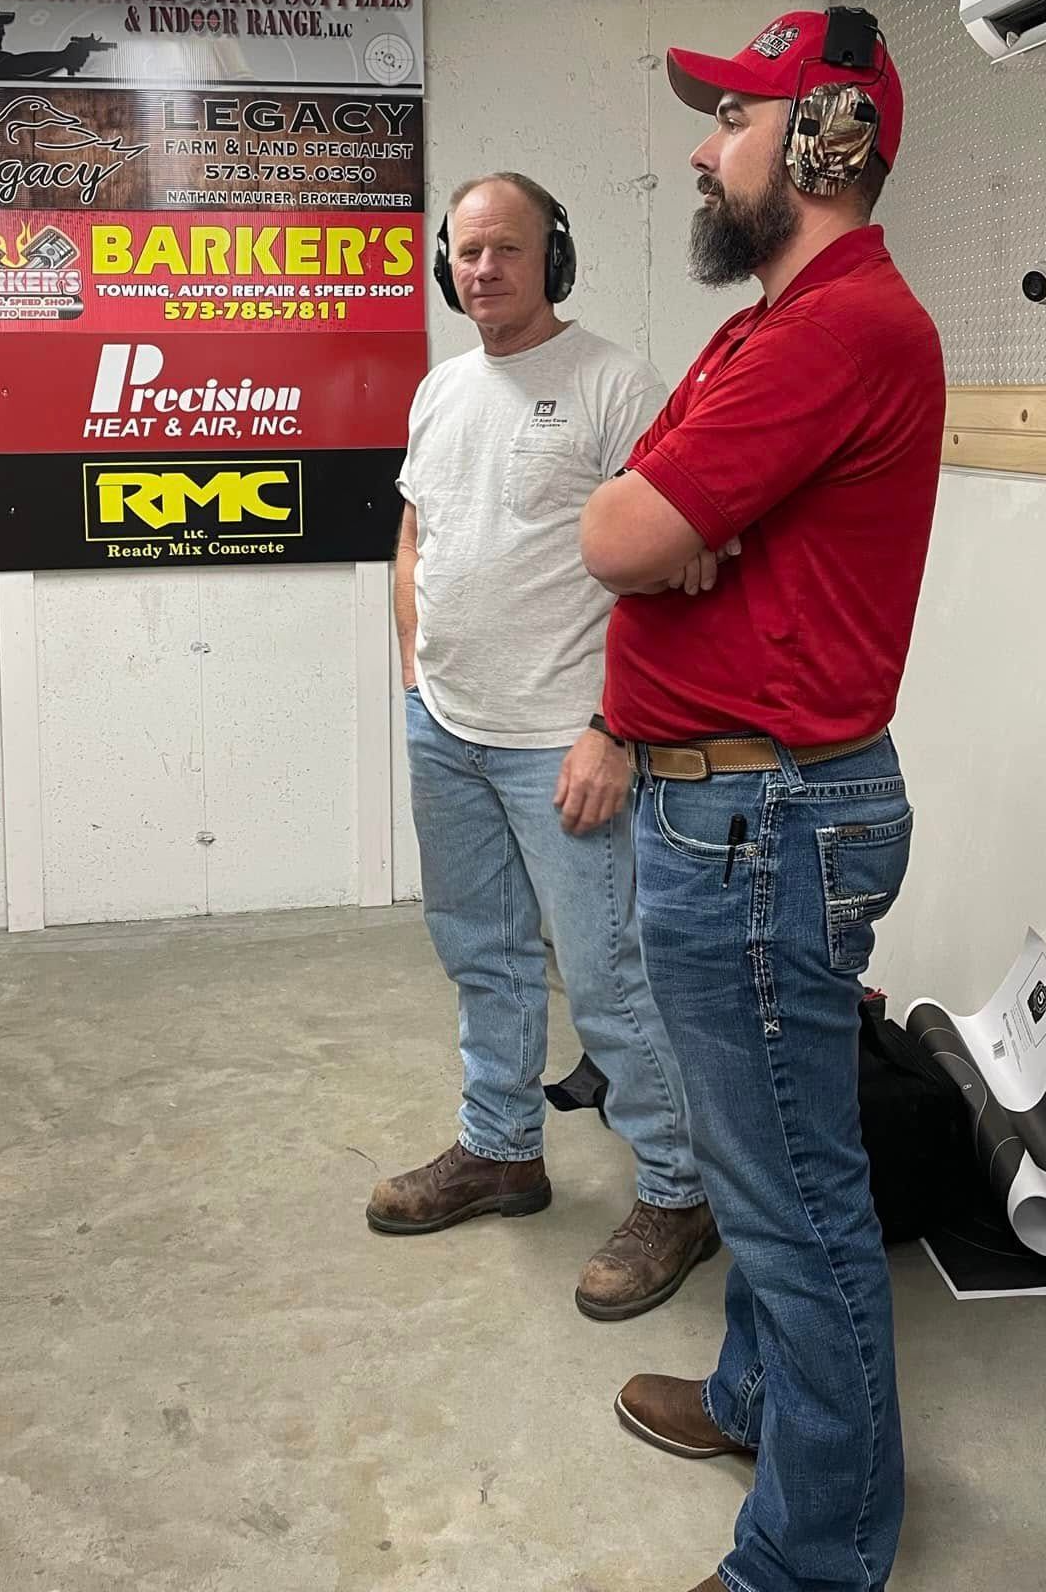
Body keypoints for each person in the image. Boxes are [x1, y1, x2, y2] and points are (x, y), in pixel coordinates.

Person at [579, 11, 945, 1592]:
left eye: (734, 115)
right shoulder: (760, 332)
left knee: (796, 1205)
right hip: (725, 815)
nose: (698, 143)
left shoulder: (840, 331)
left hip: (765, 825)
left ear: (828, 139)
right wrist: (657, 523)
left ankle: (817, 1551)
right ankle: (756, 1403)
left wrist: (660, 527)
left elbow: (613, 534)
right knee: (759, 1171)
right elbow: (631, 507)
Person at [368, 171, 718, 1320]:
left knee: (612, 978)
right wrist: (414, 659)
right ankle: (502, 1149)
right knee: (483, 953)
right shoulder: (439, 389)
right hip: (450, 727)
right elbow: (417, 530)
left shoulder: (617, 386)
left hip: (564, 740)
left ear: (552, 257)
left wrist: (616, 727)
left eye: (507, 250)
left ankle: (678, 1190)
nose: (483, 271)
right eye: (466, 252)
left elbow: (682, 573)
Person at [0, 0, 111, 80]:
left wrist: (62, 60)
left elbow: (23, 72)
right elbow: (13, 67)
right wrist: (63, 57)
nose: (2, 32)